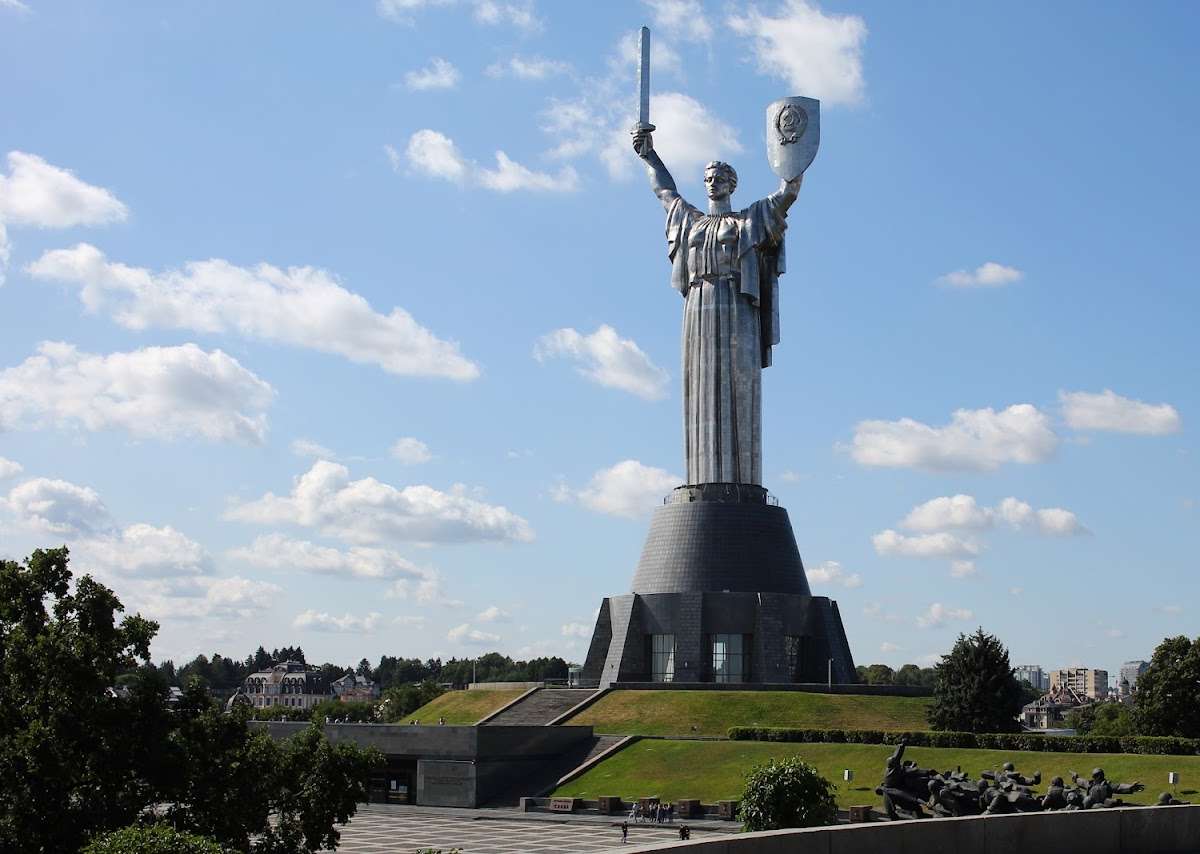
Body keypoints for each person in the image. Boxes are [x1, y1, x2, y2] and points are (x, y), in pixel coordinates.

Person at [632, 126, 801, 486]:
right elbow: (664, 190)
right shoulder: (690, 220)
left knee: (738, 386)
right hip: (698, 304)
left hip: (736, 303)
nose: (712, 183)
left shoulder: (750, 220)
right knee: (699, 386)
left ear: (732, 184)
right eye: (708, 178)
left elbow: (788, 193)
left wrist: (794, 154)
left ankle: (739, 481)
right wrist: (649, 156)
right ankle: (701, 480)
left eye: (720, 178)